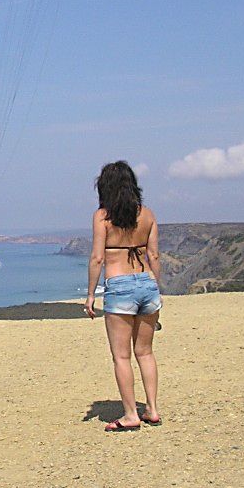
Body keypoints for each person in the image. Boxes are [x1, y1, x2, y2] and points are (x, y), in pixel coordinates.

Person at [84, 161, 162, 432]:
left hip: (119, 285)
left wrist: (91, 295)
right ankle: (152, 409)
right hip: (147, 283)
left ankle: (131, 414)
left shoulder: (102, 217)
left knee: (122, 356)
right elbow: (153, 256)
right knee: (146, 352)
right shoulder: (148, 215)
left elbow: (97, 258)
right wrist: (156, 289)